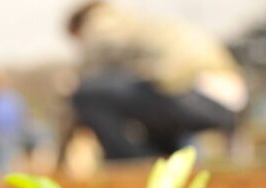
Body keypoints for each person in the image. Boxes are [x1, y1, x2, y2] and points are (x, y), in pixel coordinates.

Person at [67, 1, 248, 159]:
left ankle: (135, 164)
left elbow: (83, 79)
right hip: (230, 103)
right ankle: (166, 158)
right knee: (141, 94)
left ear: (79, 27)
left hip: (192, 94)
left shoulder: (100, 25)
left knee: (86, 94)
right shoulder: (136, 22)